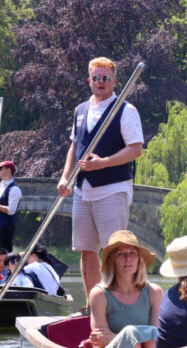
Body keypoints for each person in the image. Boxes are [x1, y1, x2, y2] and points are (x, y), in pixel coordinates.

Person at [56, 57, 144, 303]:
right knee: (86, 252)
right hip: (84, 189)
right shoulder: (80, 110)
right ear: (89, 80)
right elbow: (75, 146)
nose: (101, 82)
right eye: (96, 78)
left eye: (106, 78)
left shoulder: (126, 110)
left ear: (114, 81)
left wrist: (103, 162)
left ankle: (119, 303)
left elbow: (135, 149)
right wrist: (66, 177)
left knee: (115, 251)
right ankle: (92, 305)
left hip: (112, 189)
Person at [88, 231, 163, 348]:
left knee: (148, 338)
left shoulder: (154, 292)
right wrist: (129, 340)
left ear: (139, 259)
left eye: (132, 253)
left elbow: (155, 336)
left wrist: (116, 337)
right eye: (120, 254)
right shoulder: (99, 294)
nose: (128, 259)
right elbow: (101, 341)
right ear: (112, 260)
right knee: (130, 334)